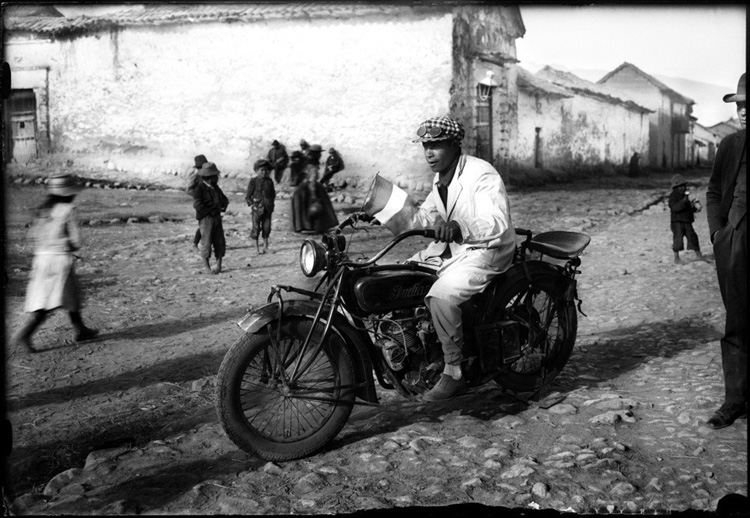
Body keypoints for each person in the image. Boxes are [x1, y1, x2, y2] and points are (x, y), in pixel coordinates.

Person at [407, 116, 516, 402]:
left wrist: (459, 227)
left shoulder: (482, 173)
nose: (429, 152)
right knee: (401, 277)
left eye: (437, 145)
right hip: (454, 252)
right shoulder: (440, 177)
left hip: (486, 250)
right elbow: (424, 217)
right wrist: (383, 210)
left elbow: (496, 221)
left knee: (442, 296)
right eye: (425, 146)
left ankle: (453, 372)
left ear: (455, 145)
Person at [12, 173, 99, 352]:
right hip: (60, 261)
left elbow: (32, 235)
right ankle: (26, 334)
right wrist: (68, 245)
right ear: (70, 193)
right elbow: (77, 240)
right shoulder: (68, 210)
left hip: (41, 260)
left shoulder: (43, 210)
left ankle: (81, 329)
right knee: (53, 300)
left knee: (65, 296)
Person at [705, 72, 747, 429]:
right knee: (737, 321)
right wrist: (718, 233)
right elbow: (715, 191)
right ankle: (734, 400)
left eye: (749, 104)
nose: (744, 111)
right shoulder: (730, 145)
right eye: (739, 105)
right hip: (734, 243)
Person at [192, 162, 229, 274]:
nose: (217, 179)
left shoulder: (215, 188)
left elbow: (224, 199)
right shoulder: (199, 189)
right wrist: (210, 210)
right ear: (208, 178)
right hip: (206, 219)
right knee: (206, 242)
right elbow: (197, 205)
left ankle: (218, 266)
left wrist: (223, 205)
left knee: (219, 241)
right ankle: (207, 267)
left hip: (216, 218)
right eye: (215, 177)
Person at [291, 155, 338, 233]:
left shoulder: (317, 185)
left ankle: (316, 226)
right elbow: (311, 183)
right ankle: (309, 227)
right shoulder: (312, 170)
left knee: (311, 207)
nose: (319, 168)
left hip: (304, 193)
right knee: (315, 207)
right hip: (307, 195)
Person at [668, 173, 706, 264]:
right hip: (677, 222)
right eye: (680, 186)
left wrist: (695, 208)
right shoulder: (673, 196)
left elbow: (688, 208)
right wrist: (684, 202)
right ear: (675, 187)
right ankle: (676, 258)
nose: (683, 188)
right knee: (678, 240)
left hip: (687, 221)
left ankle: (699, 255)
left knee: (693, 237)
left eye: (683, 186)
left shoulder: (686, 196)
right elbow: (674, 208)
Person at [246, 159, 276, 254]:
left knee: (267, 227)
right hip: (257, 209)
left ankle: (265, 247)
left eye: (266, 170)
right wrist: (253, 204)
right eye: (262, 170)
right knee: (256, 228)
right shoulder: (254, 181)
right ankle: (256, 248)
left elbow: (273, 194)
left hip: (267, 208)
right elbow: (248, 196)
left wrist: (271, 203)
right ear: (256, 171)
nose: (264, 172)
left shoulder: (269, 181)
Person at [186, 154, 209, 250]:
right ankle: (195, 243)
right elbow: (188, 190)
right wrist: (198, 196)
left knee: (208, 223)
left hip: (208, 202)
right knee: (203, 223)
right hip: (200, 204)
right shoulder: (196, 177)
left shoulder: (207, 175)